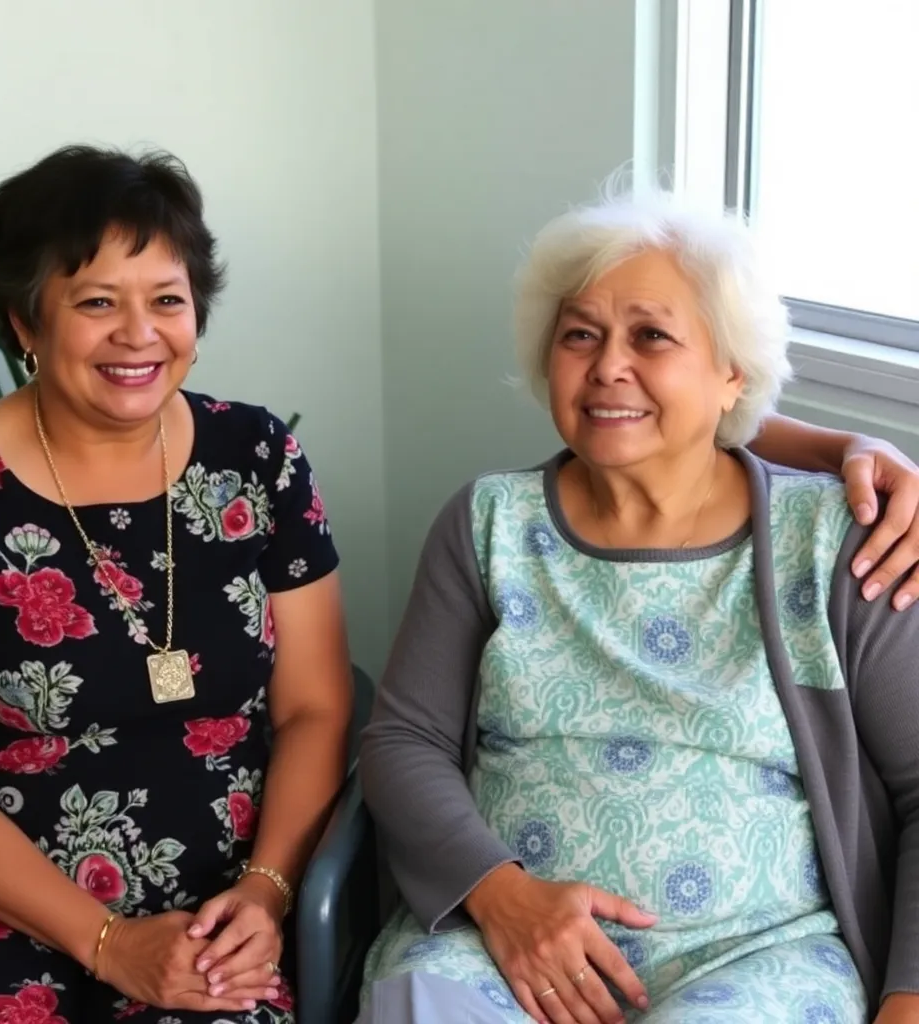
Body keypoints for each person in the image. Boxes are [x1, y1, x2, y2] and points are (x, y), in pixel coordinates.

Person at [357, 189, 919, 1024]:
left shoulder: (835, 539)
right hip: (504, 939)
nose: (607, 366)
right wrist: (502, 897)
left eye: (651, 336)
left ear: (732, 372)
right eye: (580, 334)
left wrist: (908, 1003)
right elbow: (404, 741)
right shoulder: (488, 522)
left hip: (758, 956)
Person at [0, 146, 352, 1023]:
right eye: (97, 302)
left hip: (223, 908)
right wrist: (108, 943)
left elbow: (316, 709)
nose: (139, 335)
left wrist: (266, 892)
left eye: (167, 301)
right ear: (25, 323)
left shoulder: (258, 458)